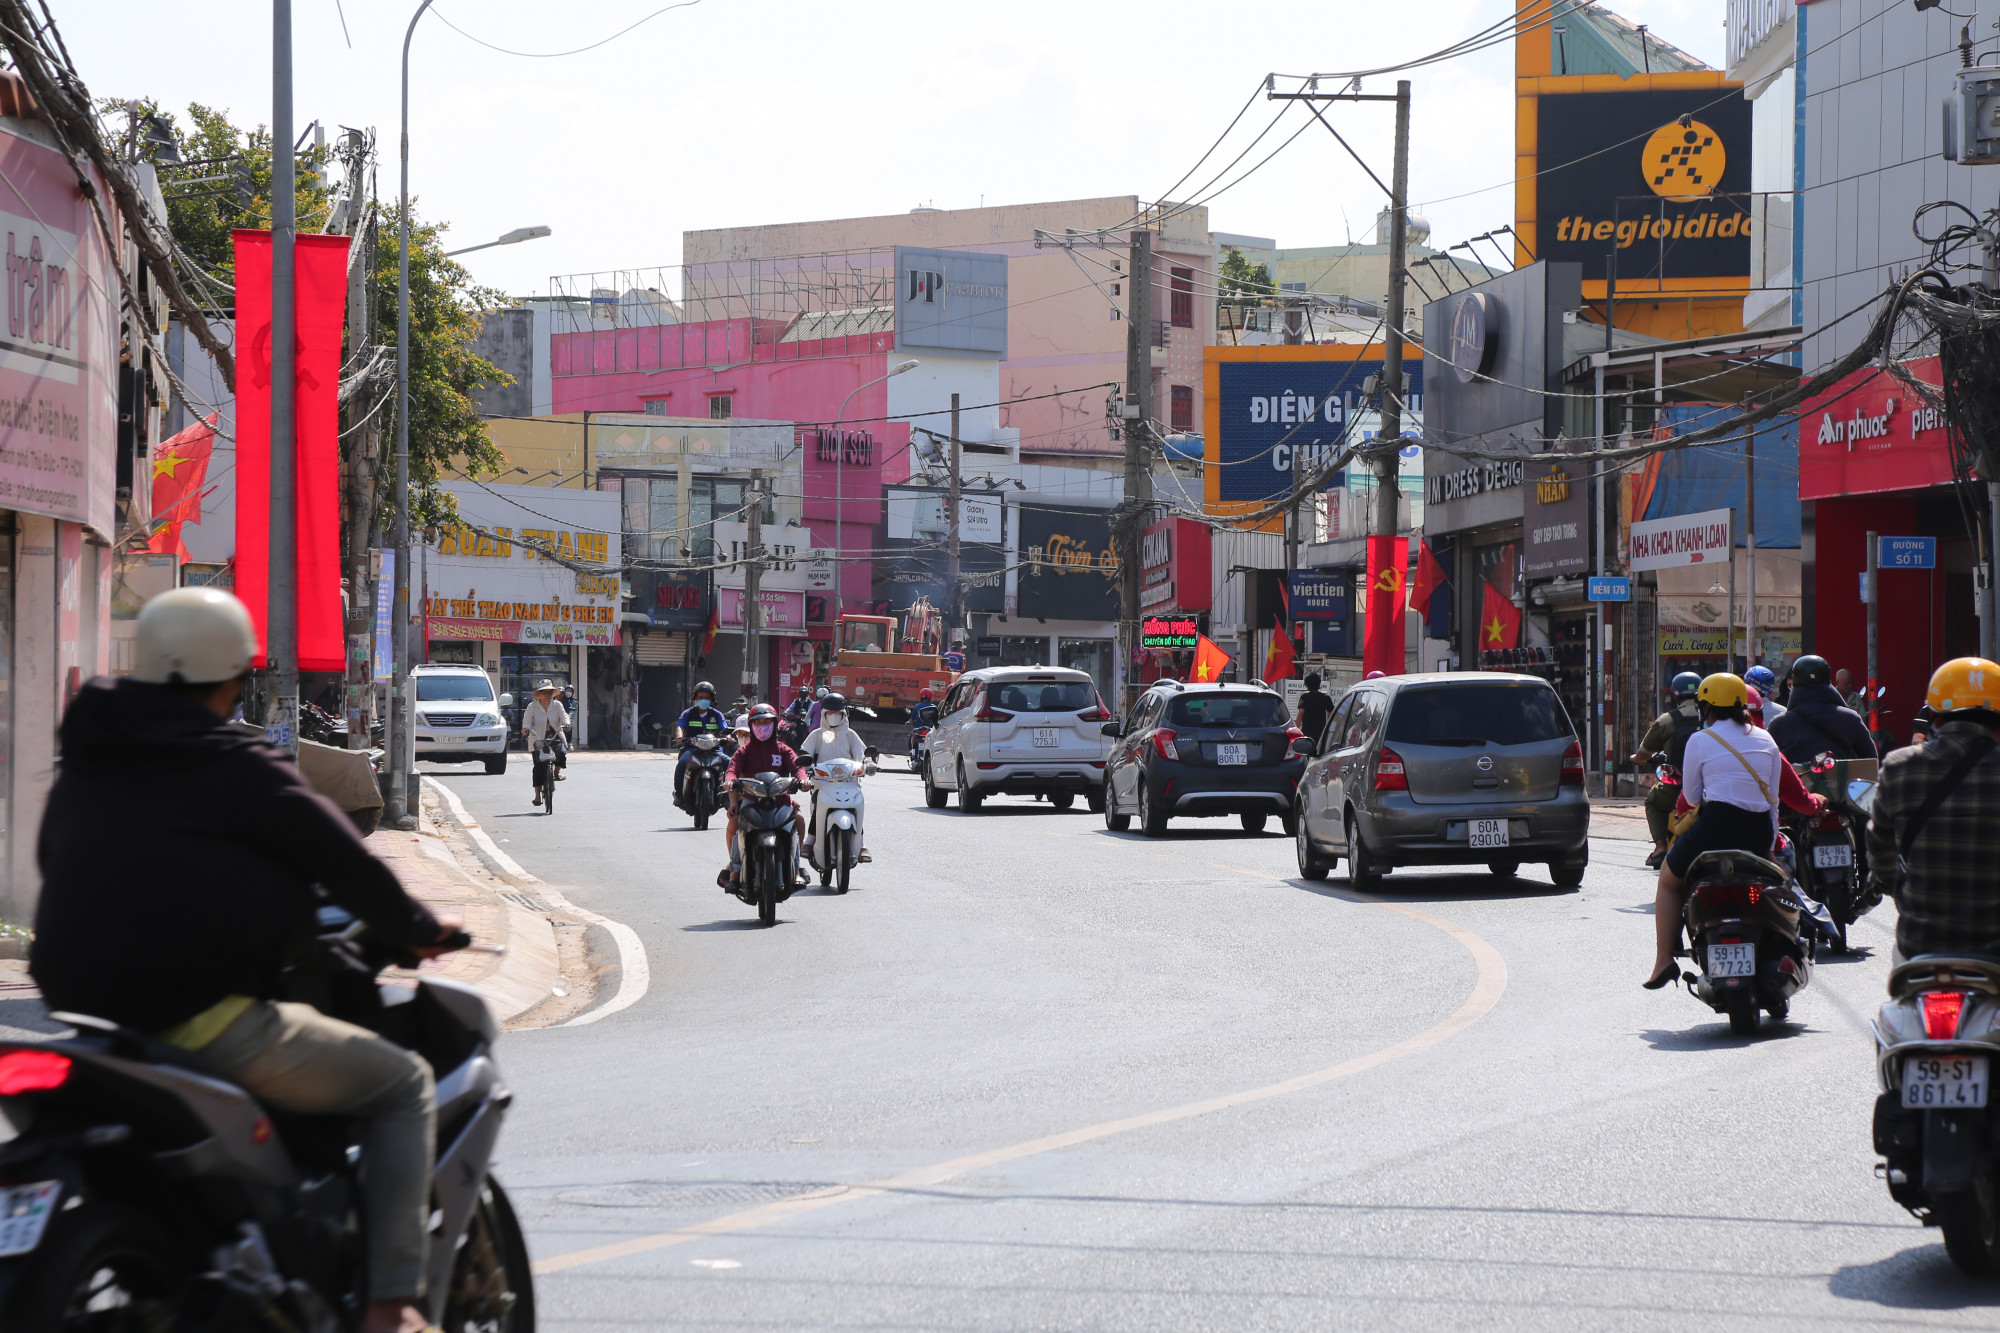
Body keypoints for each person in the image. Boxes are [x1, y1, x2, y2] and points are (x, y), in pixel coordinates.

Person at [31, 588, 460, 1333]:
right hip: (204, 1022)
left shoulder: (91, 758)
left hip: (84, 1025)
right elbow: (341, 857)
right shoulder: (233, 761)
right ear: (233, 676)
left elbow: (53, 861)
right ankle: (392, 1305)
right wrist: (418, 927)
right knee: (402, 1084)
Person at [1644, 673, 1786, 989]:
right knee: (1783, 882)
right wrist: (1770, 846)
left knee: (1668, 882)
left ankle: (1664, 959)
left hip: (1714, 830)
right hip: (1758, 831)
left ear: (1707, 707)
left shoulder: (1700, 740)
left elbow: (1692, 798)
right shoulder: (1767, 739)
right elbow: (1773, 802)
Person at [1867, 657, 2000, 962]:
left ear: (1935, 719)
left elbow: (1879, 848)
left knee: (1898, 1007)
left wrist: (1900, 891)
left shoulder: (1898, 767)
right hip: (1994, 947)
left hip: (1920, 941)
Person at [721, 702, 809, 887]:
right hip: (751, 802)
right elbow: (732, 770)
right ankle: (735, 870)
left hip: (780, 801)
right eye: (758, 722)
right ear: (752, 726)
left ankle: (795, 868)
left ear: (774, 724)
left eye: (767, 722)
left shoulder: (783, 749)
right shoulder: (744, 751)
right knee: (736, 824)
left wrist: (802, 780)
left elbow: (797, 767)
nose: (763, 727)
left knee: (798, 820)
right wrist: (730, 780)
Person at [1631, 671, 1704, 870]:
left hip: (1677, 786)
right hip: (1709, 786)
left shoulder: (1667, 720)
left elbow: (1643, 753)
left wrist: (1635, 759)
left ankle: (1660, 846)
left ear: (1675, 695)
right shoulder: (1710, 718)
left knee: (1653, 800)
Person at [800, 692, 872, 864]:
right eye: (830, 712)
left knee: (858, 805)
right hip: (823, 782)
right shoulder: (816, 735)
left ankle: (861, 845)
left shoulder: (851, 735)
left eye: (838, 713)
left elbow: (862, 755)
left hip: (849, 782)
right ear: (824, 713)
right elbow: (804, 753)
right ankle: (810, 841)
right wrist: (804, 767)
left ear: (844, 714)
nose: (834, 716)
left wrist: (868, 764)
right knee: (818, 803)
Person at [1770, 655, 1876, 766]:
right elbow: (1870, 760)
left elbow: (1767, 764)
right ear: (1828, 682)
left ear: (1794, 685)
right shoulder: (1851, 719)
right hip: (1842, 782)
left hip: (1796, 783)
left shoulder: (1780, 724)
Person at [672, 680, 729, 810]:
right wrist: (679, 736)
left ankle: (727, 797)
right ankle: (679, 795)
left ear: (712, 699)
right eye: (701, 697)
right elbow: (680, 726)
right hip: (692, 749)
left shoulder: (717, 715)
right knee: (682, 764)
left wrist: (728, 737)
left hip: (714, 749)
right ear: (695, 698)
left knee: (730, 764)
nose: (703, 700)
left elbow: (724, 730)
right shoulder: (688, 713)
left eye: (707, 698)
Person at [523, 680, 569, 805]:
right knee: (538, 767)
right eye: (544, 692)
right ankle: (537, 796)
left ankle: (556, 773)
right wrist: (526, 728)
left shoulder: (557, 705)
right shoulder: (532, 707)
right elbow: (527, 720)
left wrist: (567, 723)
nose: (547, 695)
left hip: (555, 736)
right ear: (539, 694)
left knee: (562, 756)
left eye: (549, 692)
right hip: (537, 739)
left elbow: (564, 716)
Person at [1296, 672, 1337, 746]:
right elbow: (1330, 715)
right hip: (1321, 732)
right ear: (1319, 684)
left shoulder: (1304, 697)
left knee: (1307, 752)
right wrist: (1327, 730)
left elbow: (1300, 714)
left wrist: (1296, 729)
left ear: (1307, 684)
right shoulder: (1326, 698)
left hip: (1307, 732)